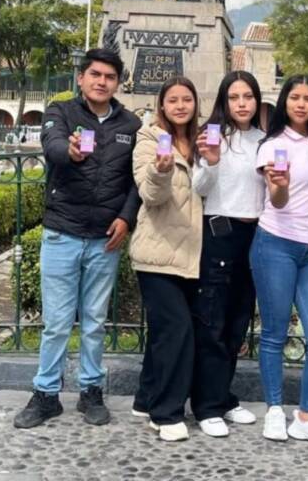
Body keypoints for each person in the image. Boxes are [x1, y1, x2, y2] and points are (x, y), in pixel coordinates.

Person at [13, 48, 142, 430]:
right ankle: (46, 395)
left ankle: (91, 391)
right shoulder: (61, 111)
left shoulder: (131, 125)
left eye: (110, 76)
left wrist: (126, 217)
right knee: (55, 322)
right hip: (63, 232)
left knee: (94, 321)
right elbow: (51, 145)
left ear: (118, 83)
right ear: (82, 78)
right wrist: (66, 151)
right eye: (95, 74)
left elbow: (135, 181)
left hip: (106, 237)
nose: (102, 82)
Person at [250, 75, 308, 448]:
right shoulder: (271, 146)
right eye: (295, 97)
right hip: (274, 244)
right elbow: (278, 201)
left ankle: (307, 416)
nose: (301, 104)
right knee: (274, 333)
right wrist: (281, 183)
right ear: (284, 102)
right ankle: (274, 409)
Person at [191, 70, 265, 437]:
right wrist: (212, 160)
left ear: (256, 100)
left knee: (238, 320)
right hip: (219, 231)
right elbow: (198, 188)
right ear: (224, 100)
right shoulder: (213, 136)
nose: (241, 103)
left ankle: (223, 397)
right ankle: (206, 405)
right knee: (213, 320)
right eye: (234, 97)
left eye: (247, 96)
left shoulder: (267, 141)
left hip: (255, 235)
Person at [129, 76, 203, 442]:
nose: (179, 106)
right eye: (172, 100)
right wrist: (160, 170)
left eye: (186, 99)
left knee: (164, 332)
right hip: (157, 251)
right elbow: (150, 195)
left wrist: (214, 162)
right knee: (177, 331)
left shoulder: (204, 142)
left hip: (193, 253)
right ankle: (166, 411)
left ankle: (145, 397)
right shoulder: (148, 139)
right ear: (162, 104)